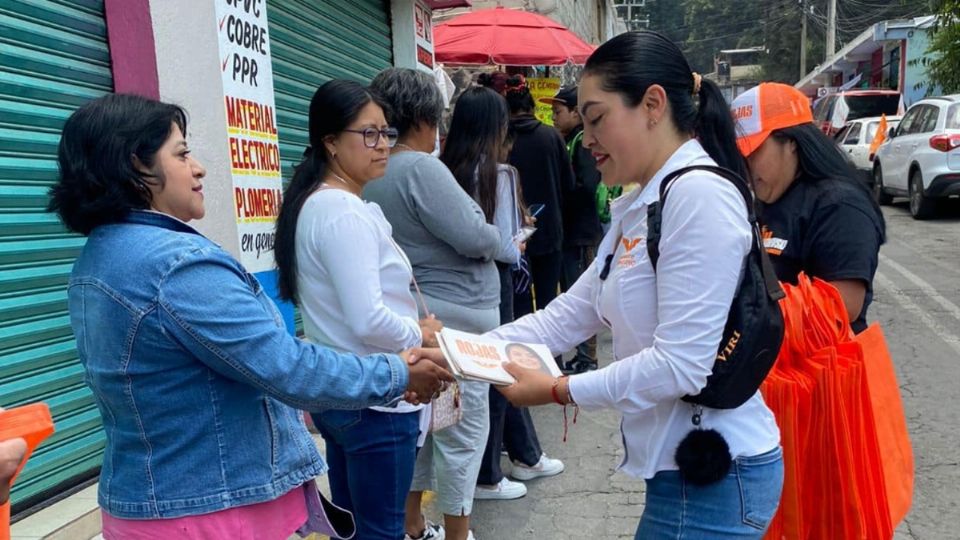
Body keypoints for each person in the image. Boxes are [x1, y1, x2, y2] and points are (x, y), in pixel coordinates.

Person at [47, 93, 452, 540]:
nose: (198, 167)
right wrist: (398, 373)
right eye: (181, 154)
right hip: (208, 511)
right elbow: (286, 367)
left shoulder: (98, 259)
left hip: (151, 501)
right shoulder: (177, 267)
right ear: (136, 168)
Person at [489, 31, 784, 539]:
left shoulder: (697, 196)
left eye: (598, 118)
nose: (588, 139)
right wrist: (458, 350)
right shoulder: (643, 205)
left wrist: (558, 389)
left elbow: (681, 365)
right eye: (582, 121)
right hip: (680, 477)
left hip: (714, 479)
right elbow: (568, 314)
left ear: (652, 105)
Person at [272, 80, 443, 540]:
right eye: (368, 134)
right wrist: (420, 333)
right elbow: (368, 319)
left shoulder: (318, 205)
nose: (382, 145)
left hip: (345, 391)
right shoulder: (341, 212)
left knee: (353, 527)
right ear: (330, 142)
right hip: (376, 400)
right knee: (380, 531)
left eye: (386, 133)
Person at [365, 68, 499, 540]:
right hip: (456, 324)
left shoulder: (371, 172)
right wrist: (503, 241)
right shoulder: (420, 166)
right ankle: (459, 534)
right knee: (461, 432)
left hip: (419, 318)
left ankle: (414, 526)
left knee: (422, 430)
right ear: (424, 117)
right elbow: (473, 235)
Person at [440, 86, 564, 503]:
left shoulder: (444, 172)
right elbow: (509, 242)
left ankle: (524, 455)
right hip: (499, 281)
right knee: (500, 373)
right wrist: (520, 237)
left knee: (482, 376)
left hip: (456, 288)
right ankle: (492, 472)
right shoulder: (500, 174)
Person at [731, 83, 886, 333]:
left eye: (754, 153)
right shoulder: (765, 198)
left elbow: (843, 305)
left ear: (792, 141)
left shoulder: (839, 205)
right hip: (773, 362)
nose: (746, 167)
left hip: (822, 367)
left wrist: (742, 306)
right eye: (739, 157)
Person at [481, 74, 575, 325]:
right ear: (532, 106)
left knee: (518, 307)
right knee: (549, 306)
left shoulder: (499, 142)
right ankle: (551, 359)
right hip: (549, 231)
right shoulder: (552, 137)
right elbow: (569, 185)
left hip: (511, 236)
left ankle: (520, 356)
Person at [541, 85, 603, 374]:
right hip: (570, 232)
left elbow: (588, 185)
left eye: (558, 111)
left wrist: (561, 194)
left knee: (581, 295)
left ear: (576, 113)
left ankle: (588, 359)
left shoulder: (582, 142)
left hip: (581, 232)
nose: (554, 117)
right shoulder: (567, 141)